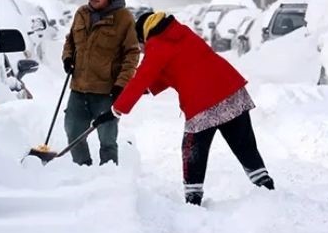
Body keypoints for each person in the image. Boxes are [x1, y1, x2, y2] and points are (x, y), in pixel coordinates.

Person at [93, 10, 276, 206]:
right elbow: (174, 69)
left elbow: (141, 78)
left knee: (192, 150)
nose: (142, 49)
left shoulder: (157, 45)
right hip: (232, 92)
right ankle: (267, 190)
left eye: (140, 45)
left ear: (144, 36)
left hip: (203, 103)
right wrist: (141, 90)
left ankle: (193, 200)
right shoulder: (180, 31)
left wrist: (115, 110)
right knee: (244, 146)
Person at [60, 0, 140, 166]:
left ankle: (109, 178)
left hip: (106, 91)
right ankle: (83, 169)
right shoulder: (81, 13)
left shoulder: (123, 18)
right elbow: (70, 40)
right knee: (73, 132)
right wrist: (68, 58)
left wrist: (121, 84)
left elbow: (131, 53)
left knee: (107, 140)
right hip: (78, 88)